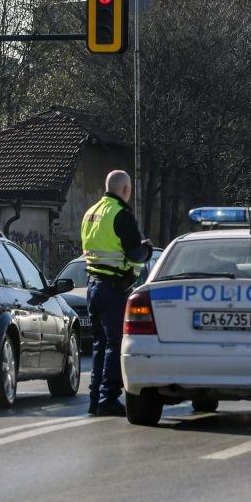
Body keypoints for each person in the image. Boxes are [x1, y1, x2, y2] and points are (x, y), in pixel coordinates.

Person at [81, 170, 152, 416]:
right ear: (125, 190)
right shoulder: (121, 214)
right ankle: (108, 398)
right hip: (113, 287)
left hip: (93, 286)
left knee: (100, 343)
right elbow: (134, 253)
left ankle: (95, 398)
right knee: (115, 343)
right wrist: (147, 251)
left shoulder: (91, 213)